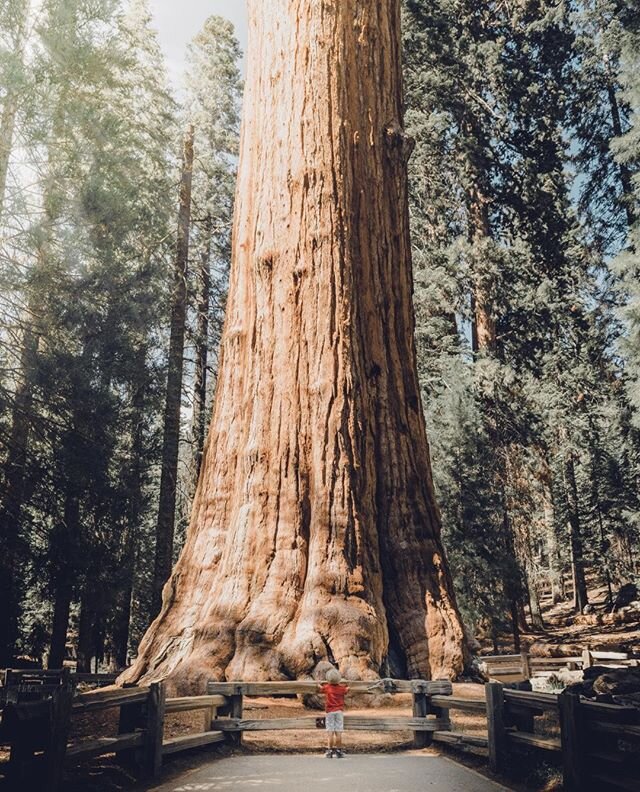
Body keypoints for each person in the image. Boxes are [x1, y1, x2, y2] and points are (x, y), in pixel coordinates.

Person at [318, 667, 349, 758]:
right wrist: (348, 685)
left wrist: (318, 684)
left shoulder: (327, 688)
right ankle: (339, 751)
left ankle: (329, 751)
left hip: (330, 712)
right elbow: (347, 689)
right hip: (339, 712)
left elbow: (320, 688)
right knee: (338, 732)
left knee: (330, 732)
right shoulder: (342, 688)